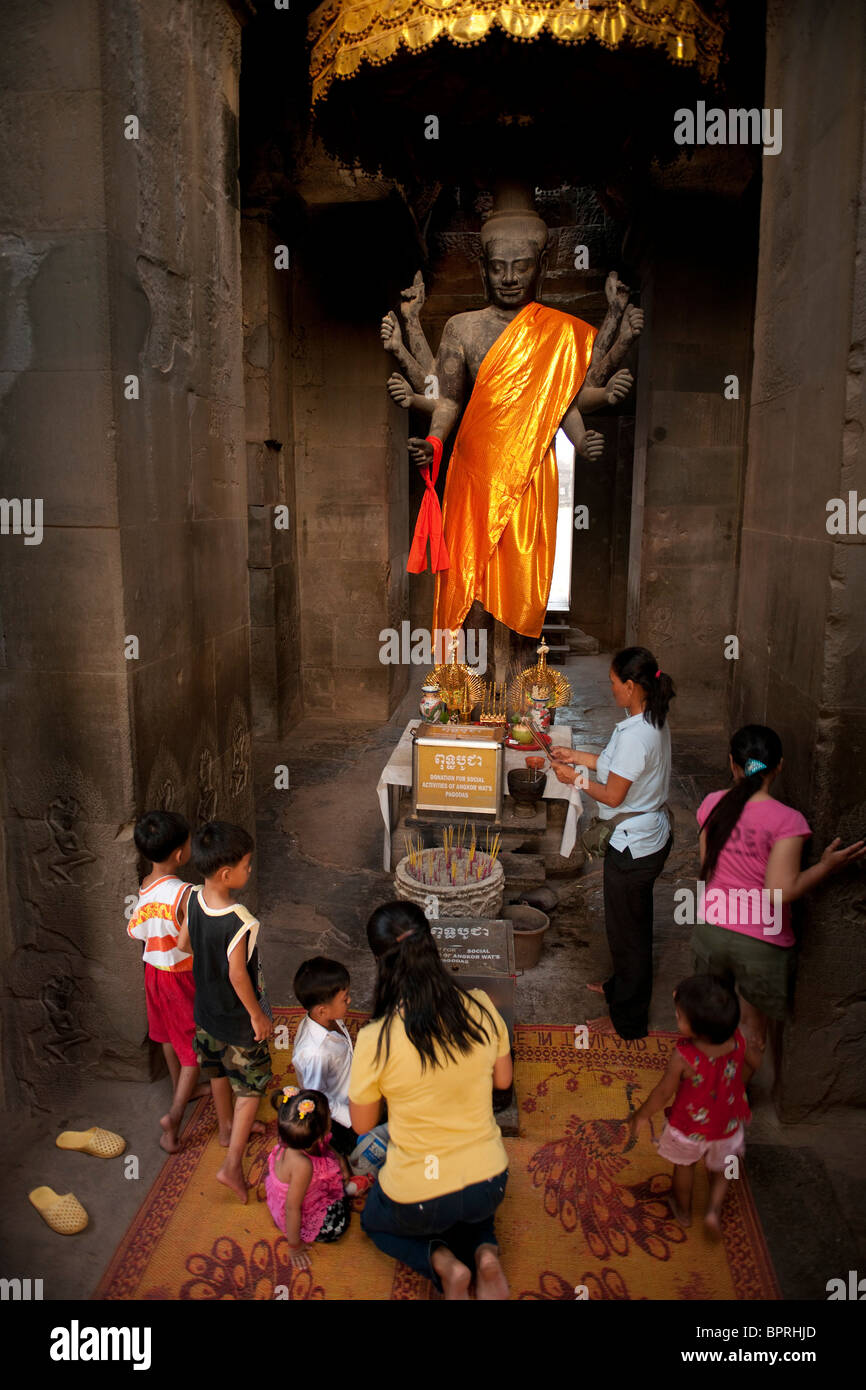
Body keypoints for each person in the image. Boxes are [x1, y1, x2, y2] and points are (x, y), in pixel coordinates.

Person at [350, 901, 512, 1300]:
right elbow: (503, 1082)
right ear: (432, 942)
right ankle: (486, 1254)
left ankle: (444, 1265)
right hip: (489, 1181)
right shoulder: (481, 1006)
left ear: (379, 961)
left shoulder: (376, 1038)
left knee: (375, 1223)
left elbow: (362, 1126)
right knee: (472, 1216)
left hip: (417, 1195)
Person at [694, 725, 865, 1053]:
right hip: (760, 941)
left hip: (710, 929)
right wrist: (827, 866)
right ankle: (738, 1094)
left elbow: (707, 867)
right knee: (751, 1030)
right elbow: (780, 892)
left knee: (711, 1017)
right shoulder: (787, 820)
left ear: (733, 763)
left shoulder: (712, 804)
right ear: (780, 766)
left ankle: (710, 1088)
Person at [551, 646, 675, 1038]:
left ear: (633, 686)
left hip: (634, 845)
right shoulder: (646, 719)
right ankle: (618, 985)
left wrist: (575, 780)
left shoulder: (639, 735)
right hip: (644, 837)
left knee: (630, 935)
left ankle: (627, 1020)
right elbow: (614, 766)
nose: (611, 690)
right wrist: (576, 756)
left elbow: (613, 795)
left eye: (614, 683)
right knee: (627, 925)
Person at [628, 975, 762, 1236]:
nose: (676, 1018)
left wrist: (642, 1115)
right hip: (728, 1123)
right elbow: (753, 1064)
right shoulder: (738, 1040)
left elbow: (663, 1092)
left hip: (690, 1128)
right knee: (722, 1168)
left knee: (684, 1167)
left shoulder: (684, 1056)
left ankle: (683, 1210)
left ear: (696, 1031)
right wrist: (742, 1079)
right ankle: (713, 1210)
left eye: (679, 1016)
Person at [186, 820, 273, 1202]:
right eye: (246, 865)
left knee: (217, 1069)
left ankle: (224, 1128)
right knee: (252, 1084)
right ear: (226, 873)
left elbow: (184, 943)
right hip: (237, 1020)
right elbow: (239, 975)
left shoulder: (191, 898)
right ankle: (232, 1163)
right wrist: (257, 1015)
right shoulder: (241, 921)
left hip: (204, 1011)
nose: (249, 870)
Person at [128, 809, 199, 1153]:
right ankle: (173, 1119)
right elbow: (191, 940)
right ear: (179, 854)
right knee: (193, 1048)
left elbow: (141, 932)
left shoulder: (146, 885)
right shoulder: (185, 894)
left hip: (153, 972)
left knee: (168, 1035)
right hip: (180, 976)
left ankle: (179, 1087)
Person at [265, 1087, 353, 1269]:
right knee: (338, 1224)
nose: (331, 1116)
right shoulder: (303, 1166)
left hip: (295, 1191)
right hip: (298, 1213)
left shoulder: (292, 1134)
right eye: (329, 1115)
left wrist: (339, 1159)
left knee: (338, 1155)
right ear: (319, 1136)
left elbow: (327, 1146)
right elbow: (292, 1208)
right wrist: (294, 1246)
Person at [291, 957, 356, 1156]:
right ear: (322, 1009)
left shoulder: (327, 1019)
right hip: (340, 1118)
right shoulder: (315, 1053)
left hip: (350, 1091)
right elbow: (317, 1097)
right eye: (344, 999)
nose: (349, 1001)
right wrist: (352, 1118)